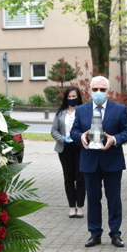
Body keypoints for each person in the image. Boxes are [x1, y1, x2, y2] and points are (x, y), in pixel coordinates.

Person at [70, 76, 127, 248]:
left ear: (108, 91)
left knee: (114, 199)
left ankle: (115, 234)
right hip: (90, 160)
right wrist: (80, 136)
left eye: (102, 90)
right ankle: (95, 233)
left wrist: (115, 139)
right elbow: (74, 130)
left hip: (112, 160)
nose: (98, 93)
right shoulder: (81, 110)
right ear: (90, 91)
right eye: (95, 89)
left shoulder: (119, 109)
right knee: (93, 199)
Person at [51, 86, 86, 218]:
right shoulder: (60, 113)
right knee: (68, 178)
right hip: (65, 148)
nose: (72, 99)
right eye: (69, 97)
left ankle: (80, 206)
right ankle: (72, 206)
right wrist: (62, 139)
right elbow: (53, 130)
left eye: (74, 96)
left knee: (81, 178)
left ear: (78, 97)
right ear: (66, 98)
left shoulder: (83, 111)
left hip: (80, 147)